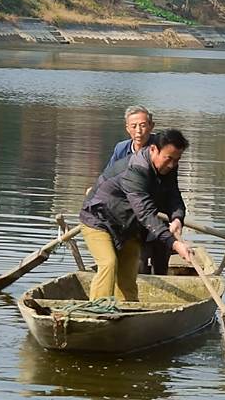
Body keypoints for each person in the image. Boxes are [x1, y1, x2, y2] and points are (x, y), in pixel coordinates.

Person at [80, 129, 192, 301]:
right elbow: (146, 214)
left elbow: (173, 196)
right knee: (109, 264)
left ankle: (128, 311)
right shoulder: (135, 170)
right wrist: (175, 244)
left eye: (176, 160)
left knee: (128, 271)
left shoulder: (169, 167)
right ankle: (97, 311)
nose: (171, 164)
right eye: (168, 158)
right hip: (99, 220)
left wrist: (177, 218)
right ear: (153, 149)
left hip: (128, 225)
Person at [105, 105, 173, 275]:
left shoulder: (161, 149)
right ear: (127, 128)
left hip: (157, 212)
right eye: (134, 126)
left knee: (160, 260)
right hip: (130, 216)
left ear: (151, 126)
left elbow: (169, 186)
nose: (139, 131)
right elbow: (108, 178)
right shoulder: (121, 149)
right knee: (137, 262)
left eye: (143, 125)